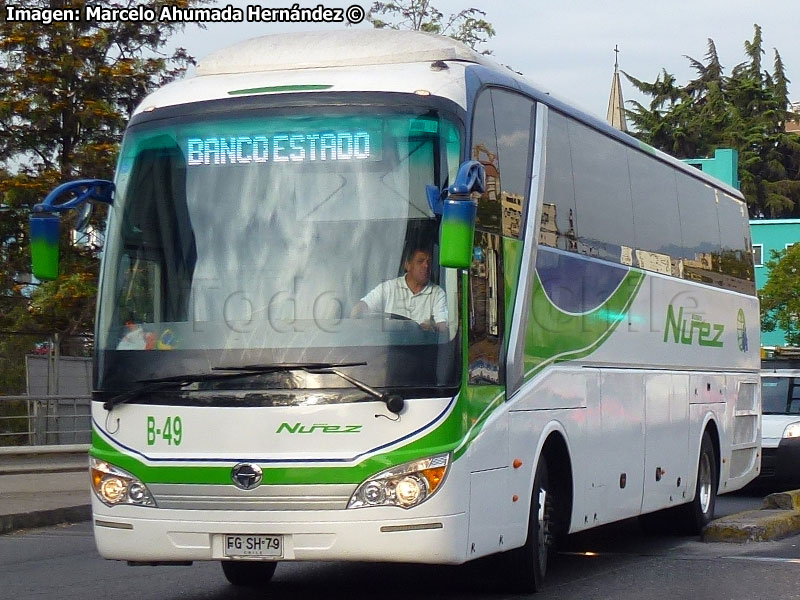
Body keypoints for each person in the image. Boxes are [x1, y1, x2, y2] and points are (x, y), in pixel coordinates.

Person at [351, 246, 448, 332]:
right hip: (388, 347)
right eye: (420, 261)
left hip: (421, 348)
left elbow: (443, 326)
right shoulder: (389, 287)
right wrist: (358, 315)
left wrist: (432, 326)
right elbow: (363, 306)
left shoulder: (437, 293)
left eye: (429, 262)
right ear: (408, 265)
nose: (426, 266)